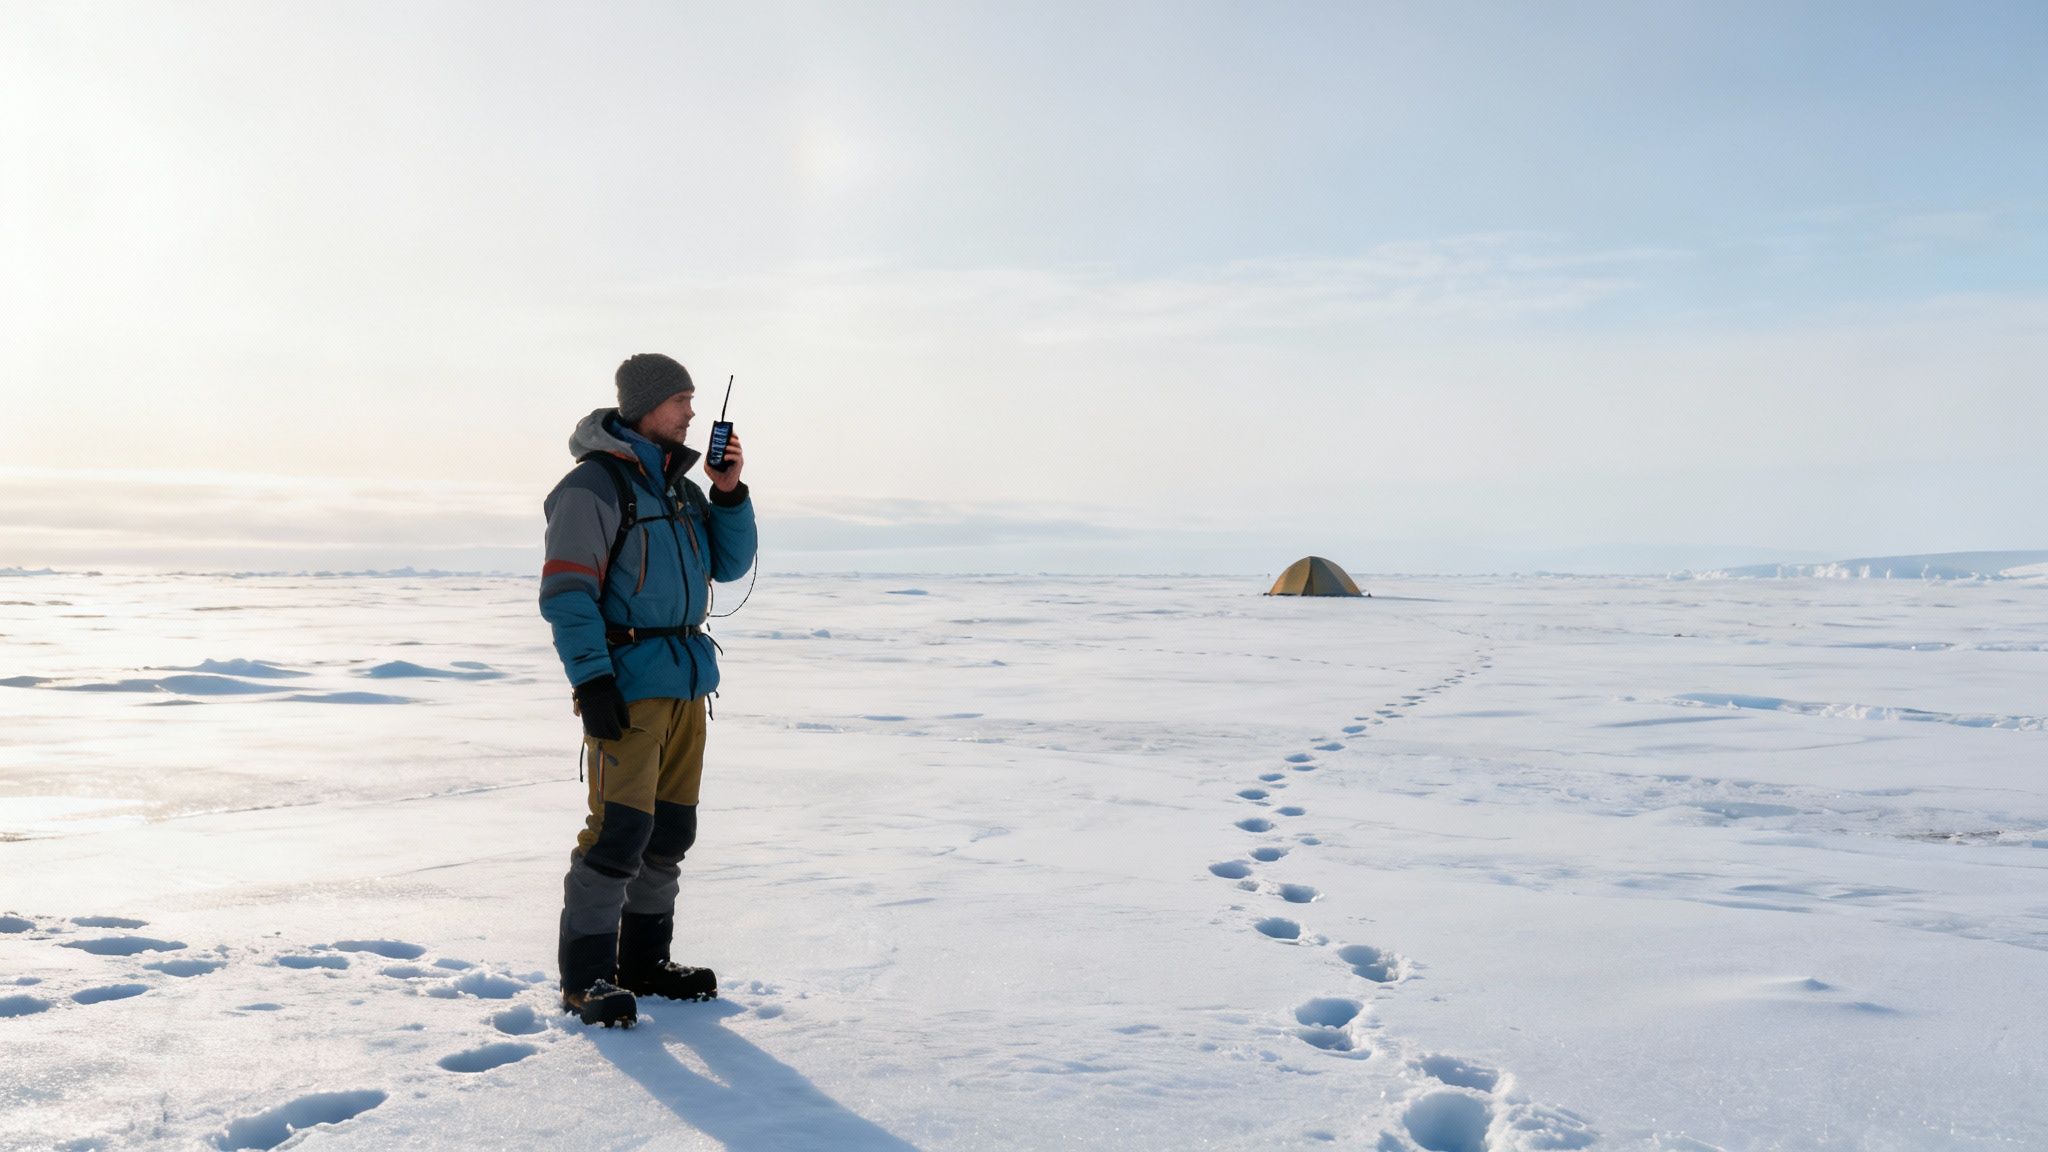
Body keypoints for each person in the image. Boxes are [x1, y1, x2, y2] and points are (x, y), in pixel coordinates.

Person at [538, 353, 758, 1026]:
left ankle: (643, 963)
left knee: (668, 832)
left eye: (692, 401)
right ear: (645, 407)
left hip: (687, 681)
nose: (692, 414)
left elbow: (731, 562)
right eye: (681, 402)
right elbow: (567, 593)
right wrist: (592, 680)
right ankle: (586, 979)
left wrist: (728, 492)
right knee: (619, 833)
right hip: (626, 685)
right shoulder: (593, 487)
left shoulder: (679, 488)